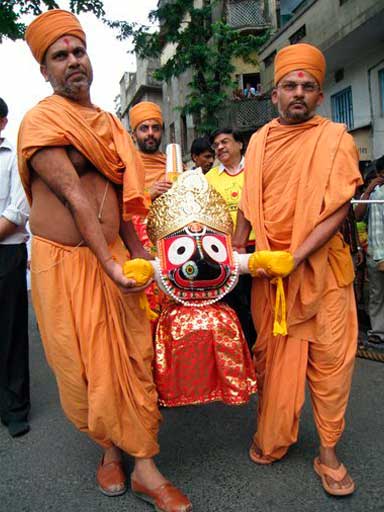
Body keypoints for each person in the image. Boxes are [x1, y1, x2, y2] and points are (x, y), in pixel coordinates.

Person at [18, 10, 191, 512]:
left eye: (78, 51)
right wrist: (110, 265)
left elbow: (120, 206)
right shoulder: (42, 121)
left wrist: (138, 259)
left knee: (132, 361)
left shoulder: (112, 126)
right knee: (83, 370)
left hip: (113, 256)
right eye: (60, 56)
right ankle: (108, 450)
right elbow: (74, 197)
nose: (73, 62)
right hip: (64, 264)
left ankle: (145, 467)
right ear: (44, 69)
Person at [233, 43, 362, 496]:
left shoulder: (336, 141)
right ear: (274, 94)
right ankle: (274, 436)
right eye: (290, 85)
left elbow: (338, 207)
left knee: (330, 366)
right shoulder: (260, 141)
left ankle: (327, 453)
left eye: (308, 87)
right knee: (270, 360)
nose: (299, 93)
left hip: (323, 274)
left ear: (320, 96)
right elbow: (248, 206)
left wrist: (298, 257)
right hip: (270, 276)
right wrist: (234, 255)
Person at [206, 128, 256, 349]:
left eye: (225, 142)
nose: (220, 147)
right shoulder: (209, 178)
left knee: (259, 302)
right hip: (223, 252)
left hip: (257, 247)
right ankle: (243, 350)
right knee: (235, 303)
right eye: (216, 145)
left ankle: (264, 349)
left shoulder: (256, 170)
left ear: (240, 144)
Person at [0, 97, 30, 438]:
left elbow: (16, 212)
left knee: (9, 332)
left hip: (7, 252)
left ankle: (15, 408)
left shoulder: (13, 157)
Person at [129, 101, 171, 324]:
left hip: (170, 254)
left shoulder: (173, 167)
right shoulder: (125, 167)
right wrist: (148, 194)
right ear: (133, 133)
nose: (151, 133)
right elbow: (118, 207)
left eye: (156, 127)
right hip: (136, 253)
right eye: (144, 128)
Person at [355, 155, 384, 345]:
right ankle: (378, 331)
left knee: (377, 295)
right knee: (377, 295)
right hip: (376, 254)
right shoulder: (374, 194)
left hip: (376, 254)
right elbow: (357, 217)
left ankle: (378, 332)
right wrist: (369, 190)